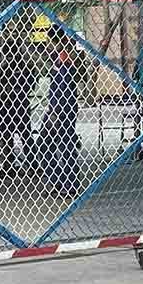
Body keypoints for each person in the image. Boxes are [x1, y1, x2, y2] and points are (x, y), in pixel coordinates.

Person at [36, 27, 81, 196]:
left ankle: (66, 183)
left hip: (60, 109)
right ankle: (63, 182)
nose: (47, 46)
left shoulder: (63, 60)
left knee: (53, 145)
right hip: (61, 108)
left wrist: (55, 111)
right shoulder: (59, 59)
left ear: (57, 42)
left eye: (49, 42)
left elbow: (63, 89)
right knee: (60, 145)